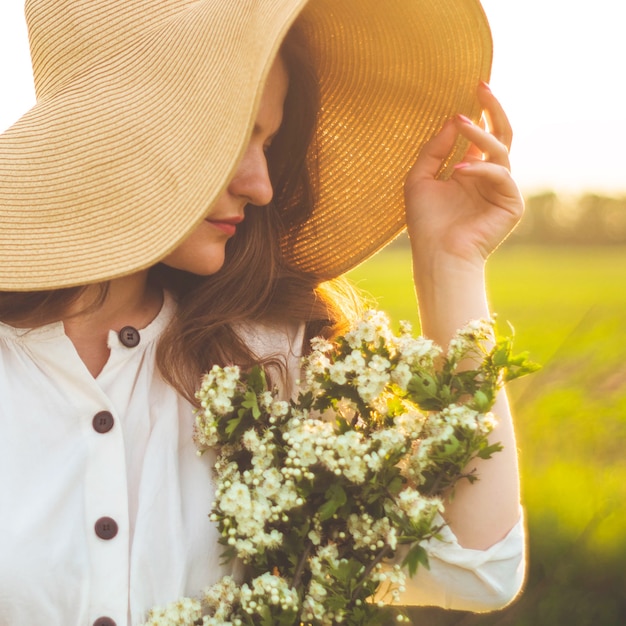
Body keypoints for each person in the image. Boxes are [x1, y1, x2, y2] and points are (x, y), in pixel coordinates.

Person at [0, 0, 525, 623]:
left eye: (270, 144)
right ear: (119, 128)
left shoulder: (262, 354)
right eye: (233, 135)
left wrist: (450, 264)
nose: (262, 185)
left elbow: (476, 569)